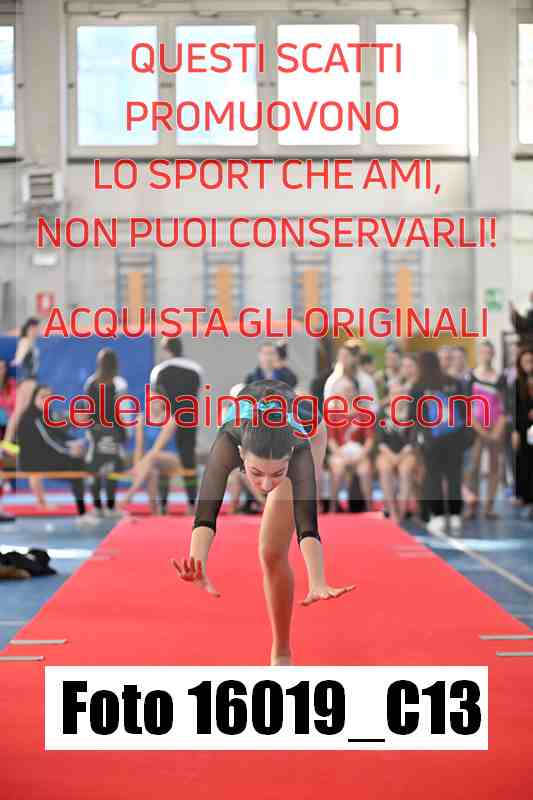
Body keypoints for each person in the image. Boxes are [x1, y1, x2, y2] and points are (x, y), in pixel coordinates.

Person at [168, 379, 355, 666]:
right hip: (263, 419)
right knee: (269, 551)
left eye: (276, 473)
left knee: (272, 550)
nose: (266, 485)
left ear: (289, 458)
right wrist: (198, 562)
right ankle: (281, 652)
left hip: (311, 429)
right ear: (241, 454)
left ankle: (281, 653)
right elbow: (205, 512)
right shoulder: (226, 444)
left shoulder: (299, 450)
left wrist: (317, 580)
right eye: (256, 473)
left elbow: (307, 523)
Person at [410, 352, 469, 535]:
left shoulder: (418, 386)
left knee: (433, 476)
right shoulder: (454, 382)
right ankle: (455, 515)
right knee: (454, 476)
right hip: (455, 437)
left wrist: (420, 438)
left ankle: (438, 516)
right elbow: (464, 409)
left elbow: (414, 416)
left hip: (432, 439)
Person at [17, 384, 90, 522]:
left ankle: (83, 512)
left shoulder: (46, 415)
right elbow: (49, 440)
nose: (46, 400)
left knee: (78, 465)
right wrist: (69, 450)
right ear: (34, 398)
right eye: (43, 397)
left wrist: (74, 442)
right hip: (34, 462)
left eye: (49, 397)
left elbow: (58, 434)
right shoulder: (32, 418)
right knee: (77, 466)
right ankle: (82, 513)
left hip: (45, 456)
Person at [150, 337, 204, 514]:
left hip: (168, 420)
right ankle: (192, 503)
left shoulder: (159, 370)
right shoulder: (196, 369)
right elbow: (195, 394)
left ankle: (163, 504)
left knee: (163, 462)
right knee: (189, 461)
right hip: (189, 419)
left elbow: (156, 398)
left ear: (167, 351)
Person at [84, 348, 129, 519]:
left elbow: (88, 411)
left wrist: (90, 431)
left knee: (95, 467)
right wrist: (125, 433)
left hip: (96, 432)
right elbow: (123, 410)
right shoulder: (119, 384)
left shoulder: (91, 383)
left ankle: (97, 507)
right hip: (114, 432)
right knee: (113, 467)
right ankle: (109, 507)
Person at [463, 341, 506, 519]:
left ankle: (489, 506)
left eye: (489, 352)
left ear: (493, 354)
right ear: (478, 354)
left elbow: (504, 406)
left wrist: (497, 430)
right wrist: (481, 430)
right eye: (483, 352)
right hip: (476, 427)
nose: (486, 355)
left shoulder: (500, 378)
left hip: (496, 426)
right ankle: (472, 505)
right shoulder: (470, 376)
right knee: (473, 466)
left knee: (495, 466)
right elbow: (466, 406)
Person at [326, 376, 374, 512]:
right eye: (345, 390)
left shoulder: (364, 413)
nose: (349, 393)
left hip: (359, 453)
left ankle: (369, 507)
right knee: (338, 468)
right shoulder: (332, 414)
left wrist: (361, 455)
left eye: (351, 389)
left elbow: (370, 440)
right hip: (340, 453)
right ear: (338, 393)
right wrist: (341, 455)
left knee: (365, 470)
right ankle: (333, 507)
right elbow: (331, 441)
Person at [375, 382, 417, 524]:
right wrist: (391, 456)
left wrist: (400, 456)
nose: (398, 397)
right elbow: (380, 441)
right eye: (394, 394)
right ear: (389, 396)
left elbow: (412, 440)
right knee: (385, 469)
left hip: (406, 452)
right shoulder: (382, 413)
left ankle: (402, 511)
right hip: (387, 452)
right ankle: (393, 511)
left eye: (401, 393)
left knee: (405, 470)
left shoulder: (411, 413)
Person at [2, 317, 41, 449]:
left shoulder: (30, 342)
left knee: (22, 413)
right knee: (19, 412)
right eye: (34, 328)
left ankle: (13, 441)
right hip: (27, 381)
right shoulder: (25, 341)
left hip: (29, 380)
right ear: (29, 329)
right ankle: (8, 441)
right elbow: (20, 355)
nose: (36, 331)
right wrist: (17, 360)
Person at [323, 340, 378, 414]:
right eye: (340, 356)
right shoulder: (333, 381)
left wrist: (361, 413)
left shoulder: (366, 380)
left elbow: (374, 406)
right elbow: (329, 405)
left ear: (356, 358)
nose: (342, 360)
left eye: (346, 356)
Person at [512, 347, 533, 517]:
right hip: (525, 429)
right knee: (526, 463)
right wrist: (516, 431)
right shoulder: (517, 383)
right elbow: (514, 408)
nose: (529, 365)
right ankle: (528, 499)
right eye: (525, 361)